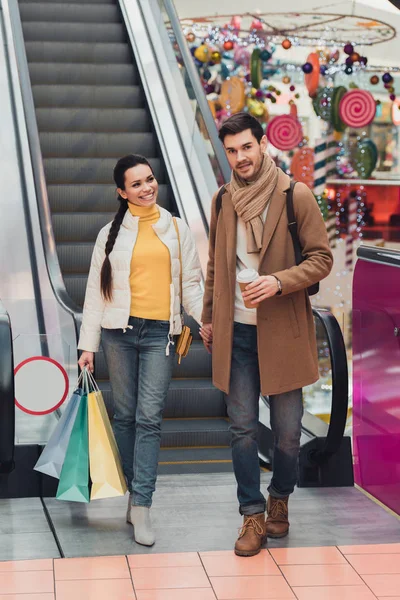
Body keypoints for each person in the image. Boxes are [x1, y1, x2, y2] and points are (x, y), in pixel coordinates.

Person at [200, 113, 333, 557]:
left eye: (246, 148)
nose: (240, 158)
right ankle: (252, 514)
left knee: (288, 434)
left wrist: (278, 281)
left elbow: (321, 259)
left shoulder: (296, 195)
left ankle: (280, 497)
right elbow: (217, 267)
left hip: (283, 332)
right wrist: (209, 317)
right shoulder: (222, 200)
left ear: (263, 146)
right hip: (236, 332)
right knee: (241, 429)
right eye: (232, 151)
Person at [78, 154, 203, 546]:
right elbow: (96, 294)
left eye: (149, 180)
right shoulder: (109, 234)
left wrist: (208, 320)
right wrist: (88, 346)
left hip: (160, 336)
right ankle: (134, 492)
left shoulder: (176, 229)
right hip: (118, 332)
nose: (147, 187)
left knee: (150, 417)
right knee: (126, 416)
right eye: (136, 184)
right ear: (122, 192)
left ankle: (142, 505)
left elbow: (192, 285)